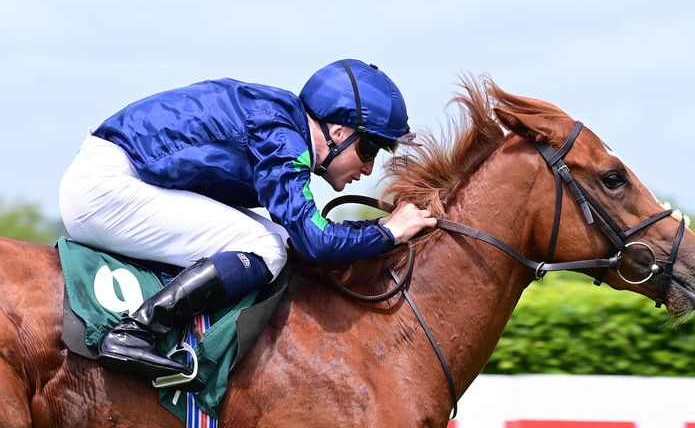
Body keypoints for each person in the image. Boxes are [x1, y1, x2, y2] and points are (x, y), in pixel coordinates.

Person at [58, 59, 437, 380]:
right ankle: (137, 332)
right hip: (105, 189)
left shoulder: (282, 122)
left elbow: (301, 235)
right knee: (266, 247)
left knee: (275, 239)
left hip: (117, 177)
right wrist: (388, 232)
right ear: (337, 130)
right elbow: (316, 241)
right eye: (369, 146)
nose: (370, 167)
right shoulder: (281, 138)